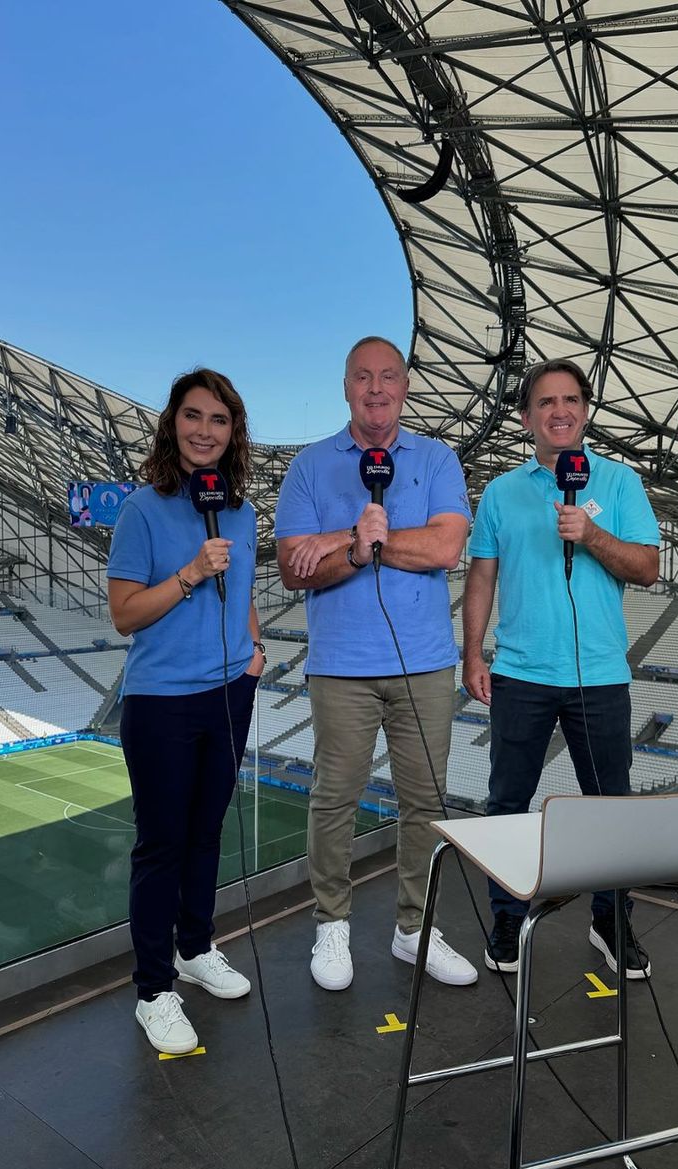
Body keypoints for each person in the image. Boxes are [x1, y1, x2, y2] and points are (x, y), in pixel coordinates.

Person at [274, 336, 478, 991]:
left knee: (426, 804)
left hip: (424, 665)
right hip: (340, 667)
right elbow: (290, 569)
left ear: (405, 385)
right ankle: (331, 927)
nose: (376, 388)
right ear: (346, 387)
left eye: (388, 376)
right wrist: (359, 552)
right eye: (363, 377)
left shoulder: (438, 459)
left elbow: (446, 548)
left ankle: (413, 930)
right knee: (334, 801)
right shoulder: (309, 467)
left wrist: (345, 539)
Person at [462, 359, 660, 980]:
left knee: (610, 808)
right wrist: (473, 652)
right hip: (521, 672)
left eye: (571, 399)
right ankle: (506, 918)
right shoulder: (500, 492)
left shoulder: (621, 484)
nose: (560, 411)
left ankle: (609, 921)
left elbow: (647, 567)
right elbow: (482, 576)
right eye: (546, 402)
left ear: (585, 409)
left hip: (600, 675)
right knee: (507, 804)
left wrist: (591, 534)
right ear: (526, 419)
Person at [107, 368, 266, 1054]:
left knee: (206, 834)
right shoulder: (143, 509)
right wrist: (190, 575)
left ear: (234, 434)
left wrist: (254, 650)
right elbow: (123, 614)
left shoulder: (243, 512)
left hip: (230, 691)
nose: (205, 430)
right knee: (163, 844)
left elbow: (248, 588)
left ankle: (196, 948)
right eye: (194, 416)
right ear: (173, 424)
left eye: (219, 419)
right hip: (163, 701)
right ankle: (153, 990)